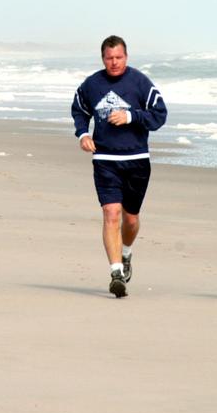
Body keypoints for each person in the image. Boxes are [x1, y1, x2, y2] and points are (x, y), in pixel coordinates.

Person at [71, 35, 168, 298]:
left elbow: (160, 115)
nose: (114, 62)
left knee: (131, 219)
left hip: (137, 160)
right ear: (102, 59)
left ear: (126, 57)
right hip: (105, 160)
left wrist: (130, 116)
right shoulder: (92, 84)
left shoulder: (139, 82)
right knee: (111, 213)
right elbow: (79, 109)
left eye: (119, 57)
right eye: (109, 58)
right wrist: (83, 134)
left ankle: (126, 253)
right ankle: (116, 273)